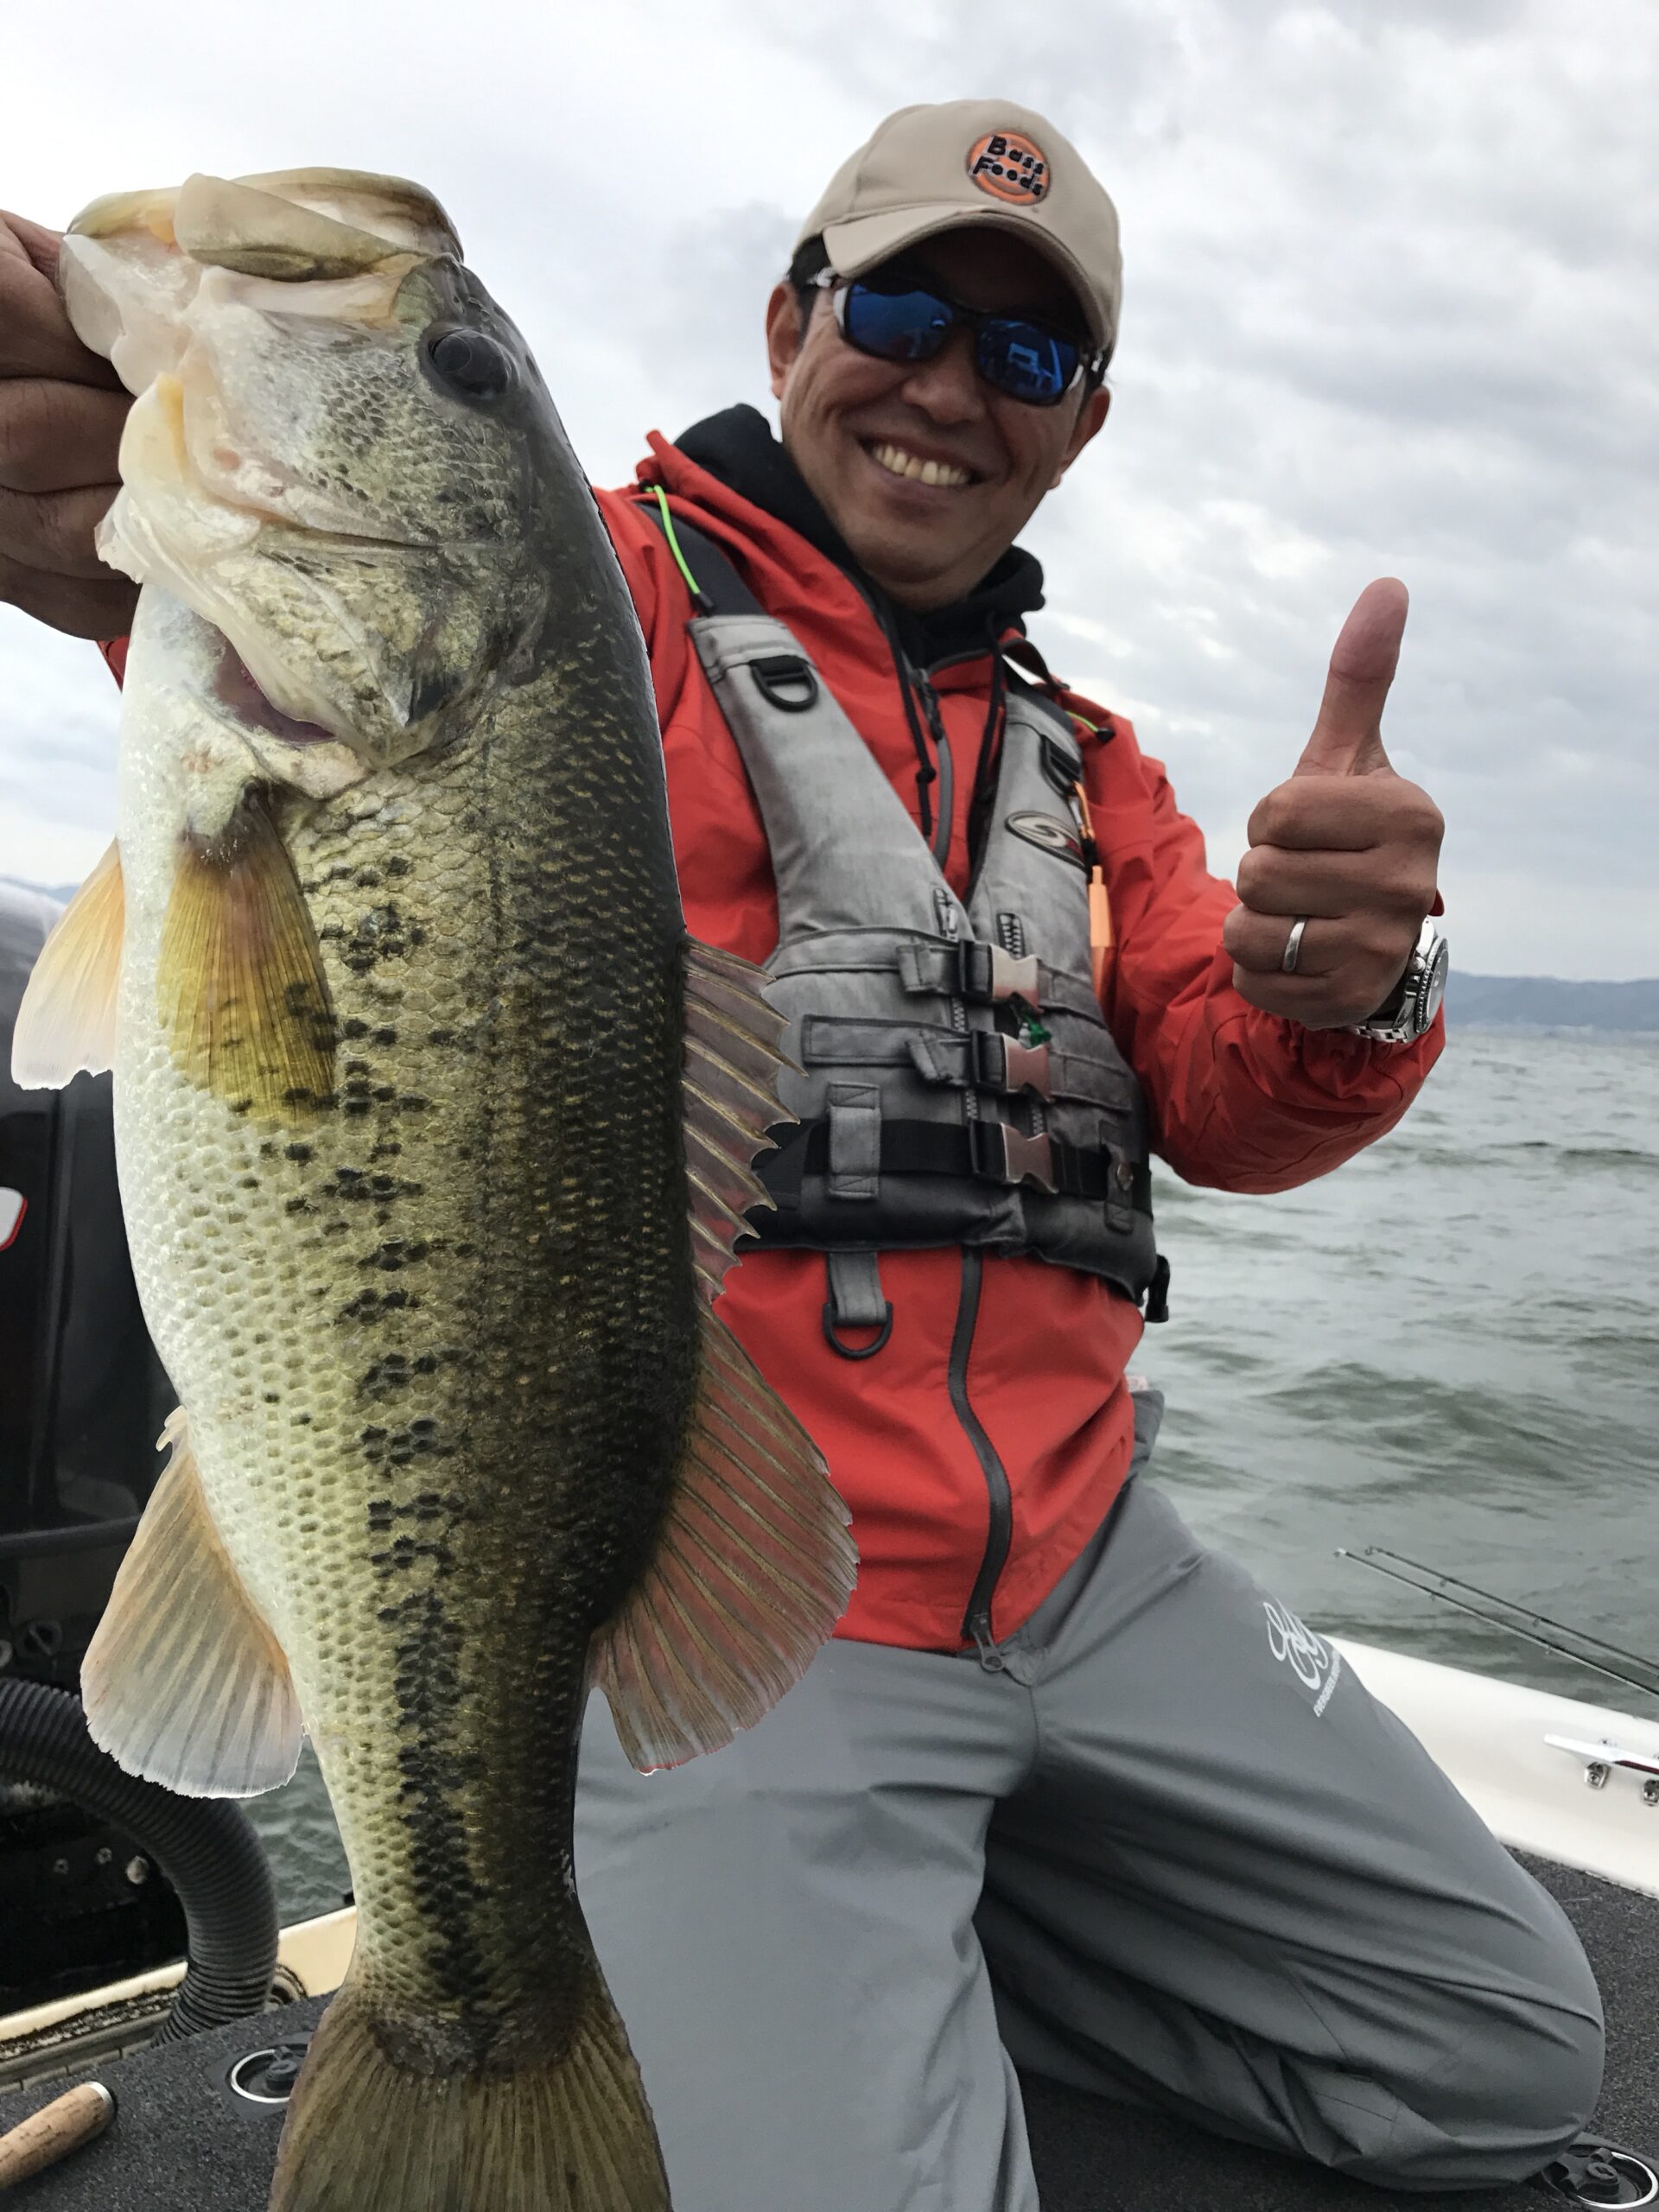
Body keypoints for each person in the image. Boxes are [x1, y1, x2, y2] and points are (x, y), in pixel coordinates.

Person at [0, 98, 1605, 2212]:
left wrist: (1356, 992)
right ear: (791, 321)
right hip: (743, 1597)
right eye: (904, 315)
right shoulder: (589, 603)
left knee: (1503, 2046)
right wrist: (94, 482)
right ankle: (796, 1948)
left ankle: (916, 1931)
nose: (946, 387)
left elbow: (1232, 1090)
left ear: (1083, 422)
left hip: (1087, 1566)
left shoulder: (1091, 767)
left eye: (1024, 352)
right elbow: (298, 638)